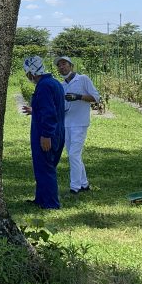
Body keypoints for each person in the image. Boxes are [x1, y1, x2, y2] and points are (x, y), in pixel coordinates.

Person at [21, 55, 65, 209]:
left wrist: (46, 135)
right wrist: (35, 110)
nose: (28, 77)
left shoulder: (44, 86)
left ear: (32, 72)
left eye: (27, 73)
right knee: (43, 168)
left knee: (45, 168)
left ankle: (51, 204)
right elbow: (52, 108)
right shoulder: (54, 83)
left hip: (47, 134)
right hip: (58, 132)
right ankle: (40, 199)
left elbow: (49, 113)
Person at [55, 56, 101, 195]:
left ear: (71, 66)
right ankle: (84, 183)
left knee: (74, 154)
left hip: (80, 123)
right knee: (74, 155)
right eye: (59, 65)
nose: (62, 67)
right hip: (66, 123)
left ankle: (75, 188)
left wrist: (78, 96)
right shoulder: (61, 85)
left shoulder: (83, 79)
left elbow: (96, 98)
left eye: (64, 64)